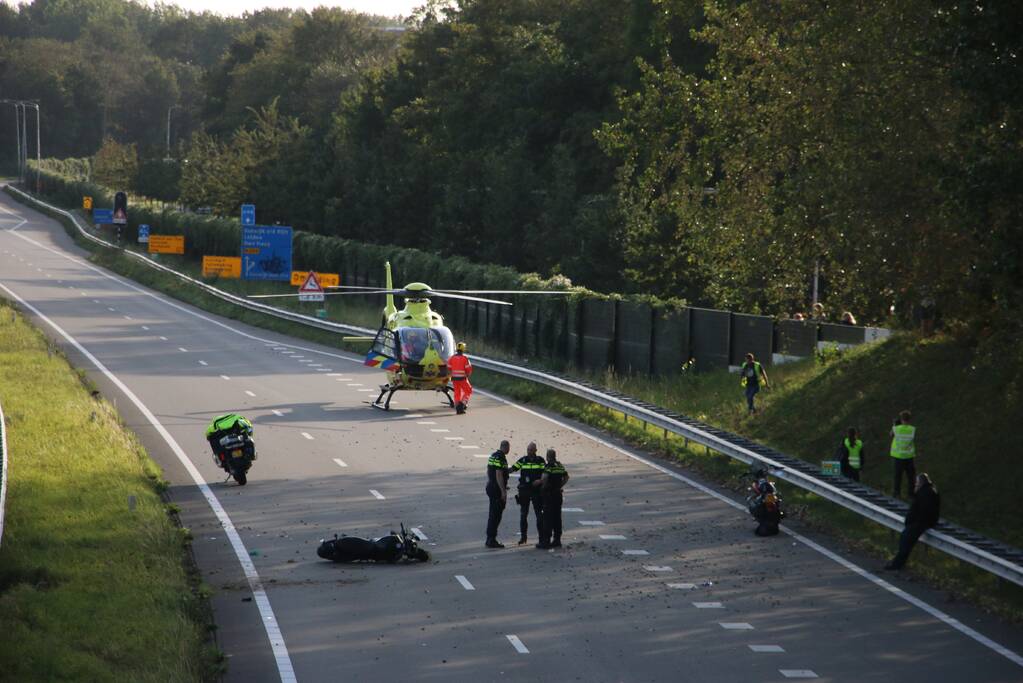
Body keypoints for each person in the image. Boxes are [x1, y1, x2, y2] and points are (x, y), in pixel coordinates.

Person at [885, 473, 940, 570]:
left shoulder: (925, 492)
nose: (915, 484)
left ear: (921, 483)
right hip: (921, 522)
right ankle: (897, 564)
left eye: (917, 482)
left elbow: (922, 510)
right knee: (905, 540)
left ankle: (896, 565)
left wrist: (913, 521)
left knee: (905, 542)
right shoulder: (929, 491)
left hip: (919, 523)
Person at [510, 442, 546, 545]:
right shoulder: (523, 460)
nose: (529, 452)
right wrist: (502, 471)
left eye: (531, 450)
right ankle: (523, 537)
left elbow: (546, 473)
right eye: (528, 450)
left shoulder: (540, 460)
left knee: (539, 514)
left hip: (536, 490)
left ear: (535, 450)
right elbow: (513, 468)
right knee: (523, 514)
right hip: (524, 490)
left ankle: (541, 537)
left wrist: (540, 481)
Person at [537, 448, 569, 549]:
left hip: (549, 495)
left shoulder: (548, 466)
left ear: (547, 457)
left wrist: (542, 487)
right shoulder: (559, 466)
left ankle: (546, 541)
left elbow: (544, 478)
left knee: (547, 518)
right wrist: (560, 486)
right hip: (557, 495)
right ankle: (557, 539)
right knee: (557, 517)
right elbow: (566, 477)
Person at [485, 440, 511, 548]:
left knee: (492, 513)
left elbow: (489, 470)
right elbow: (499, 474)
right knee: (496, 515)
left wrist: (491, 481)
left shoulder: (493, 456)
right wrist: (503, 491)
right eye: (509, 447)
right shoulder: (501, 457)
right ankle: (491, 539)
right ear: (506, 447)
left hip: (491, 486)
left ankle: (489, 539)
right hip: (496, 490)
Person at [890, 410, 917, 498]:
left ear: (901, 419)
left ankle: (896, 493)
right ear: (909, 419)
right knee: (911, 477)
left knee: (898, 476)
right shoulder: (912, 429)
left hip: (898, 456)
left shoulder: (896, 429)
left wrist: (894, 424)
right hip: (909, 456)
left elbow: (891, 434)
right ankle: (911, 494)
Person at [448, 341, 473, 414]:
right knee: (468, 390)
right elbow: (468, 369)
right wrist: (467, 375)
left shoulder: (452, 358)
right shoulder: (465, 358)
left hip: (454, 379)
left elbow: (449, 367)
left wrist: (451, 375)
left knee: (457, 392)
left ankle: (457, 406)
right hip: (462, 378)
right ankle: (462, 404)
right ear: (463, 349)